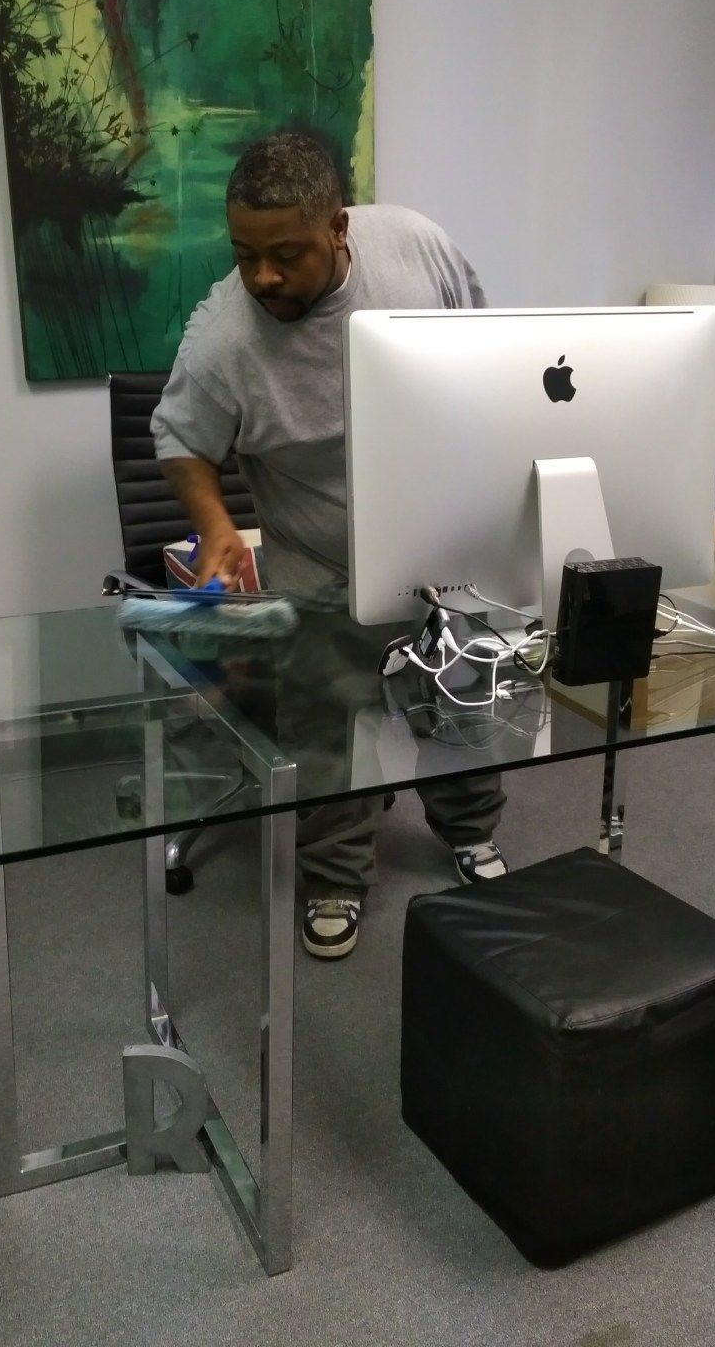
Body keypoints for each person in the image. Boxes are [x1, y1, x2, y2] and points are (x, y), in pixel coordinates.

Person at [151, 132, 507, 958]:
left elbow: (492, 349)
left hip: (443, 547)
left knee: (466, 702)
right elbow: (179, 441)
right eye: (245, 254)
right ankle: (337, 878)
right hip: (321, 565)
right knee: (330, 735)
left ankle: (470, 831)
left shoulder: (415, 247)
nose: (264, 275)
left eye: (286, 253)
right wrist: (213, 527)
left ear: (339, 229)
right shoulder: (224, 341)